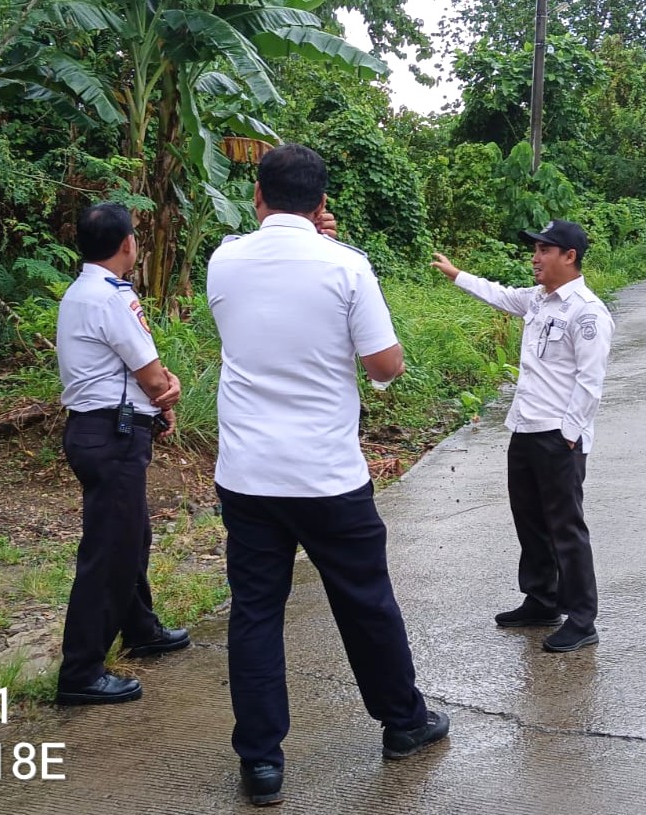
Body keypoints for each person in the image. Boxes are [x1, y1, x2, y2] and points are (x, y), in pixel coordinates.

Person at [207, 144, 449, 807]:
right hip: (326, 476)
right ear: (321, 204)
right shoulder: (346, 266)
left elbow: (263, 308)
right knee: (364, 600)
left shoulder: (224, 260)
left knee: (255, 612)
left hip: (248, 475)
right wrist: (330, 251)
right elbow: (385, 365)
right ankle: (403, 722)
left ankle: (261, 762)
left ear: (257, 196)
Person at [431, 219, 614, 654]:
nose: (535, 257)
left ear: (569, 256)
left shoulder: (587, 312)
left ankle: (582, 619)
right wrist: (456, 274)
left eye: (544, 250)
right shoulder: (537, 299)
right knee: (529, 521)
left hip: (558, 437)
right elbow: (497, 293)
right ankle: (541, 600)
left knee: (565, 528)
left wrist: (569, 435)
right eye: (535, 250)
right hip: (525, 428)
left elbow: (590, 382)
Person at [54, 202, 190, 706]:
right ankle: (81, 671)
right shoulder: (112, 297)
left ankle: (140, 628)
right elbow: (151, 375)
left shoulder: (80, 291)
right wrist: (166, 394)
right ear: (128, 244)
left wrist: (155, 400)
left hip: (97, 429)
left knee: (130, 535)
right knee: (110, 550)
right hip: (112, 434)